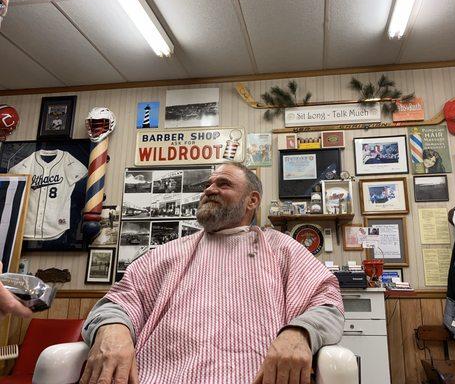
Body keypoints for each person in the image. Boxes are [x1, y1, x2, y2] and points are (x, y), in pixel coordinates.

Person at [80, 162, 344, 384]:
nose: (209, 189)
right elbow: (118, 302)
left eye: (223, 184)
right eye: (207, 184)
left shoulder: (282, 249)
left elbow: (327, 303)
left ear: (252, 200)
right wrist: (111, 329)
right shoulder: (167, 253)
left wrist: (300, 333)